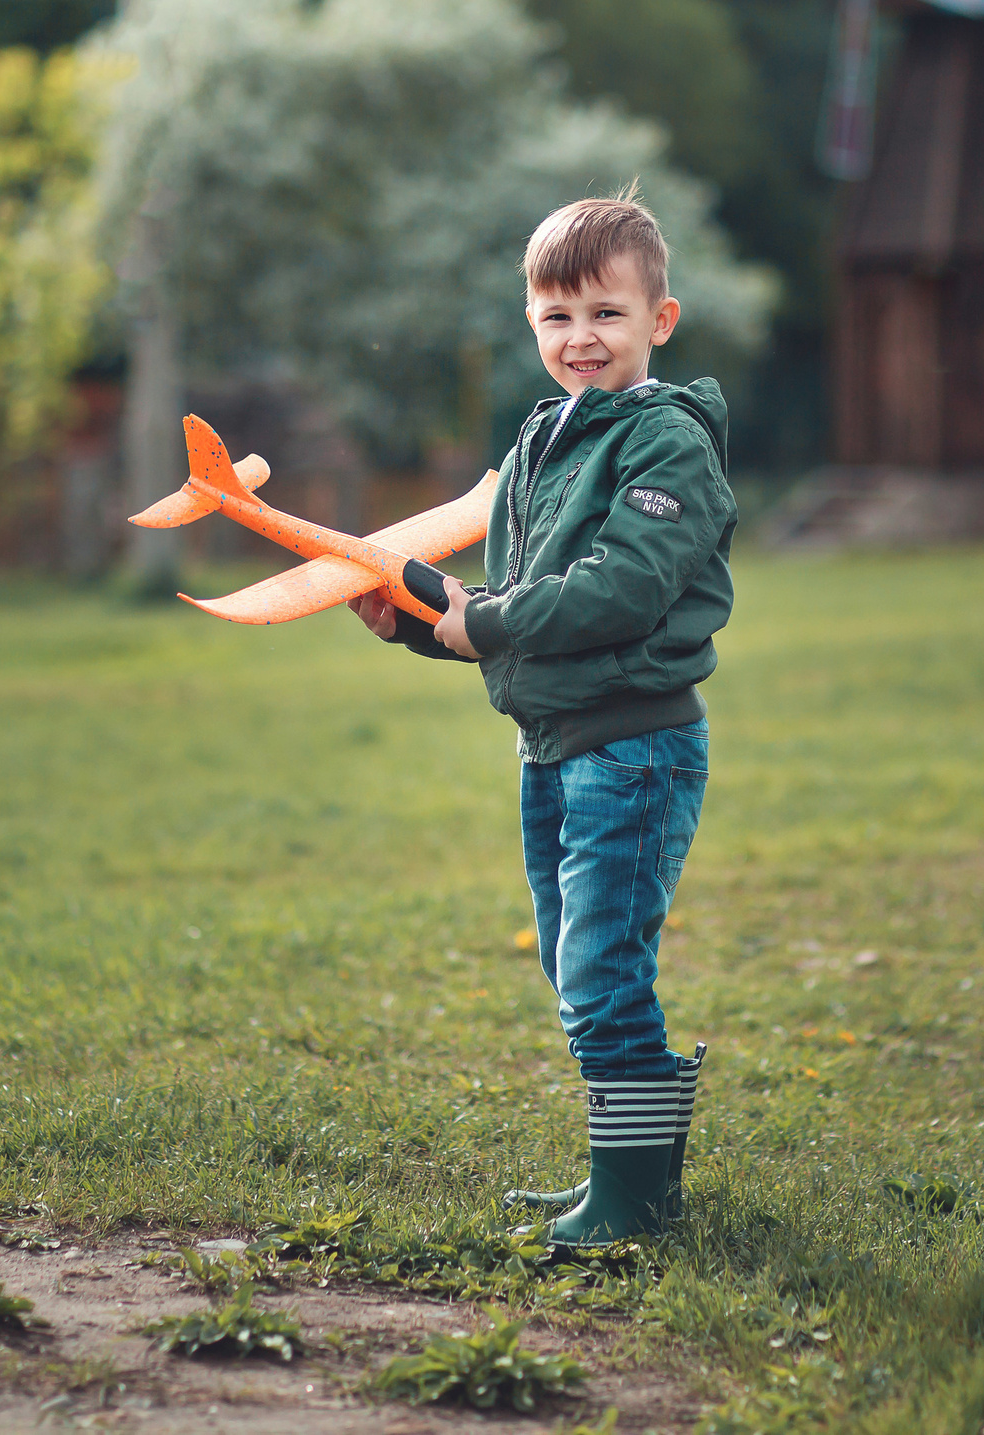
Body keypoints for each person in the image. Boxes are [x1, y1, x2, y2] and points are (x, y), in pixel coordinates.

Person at [350, 188, 737, 1243]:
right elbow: (518, 612)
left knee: (602, 972)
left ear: (659, 319)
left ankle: (634, 1206)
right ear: (531, 324)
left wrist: (487, 620)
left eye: (606, 315)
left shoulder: (666, 441)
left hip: (633, 747)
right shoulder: (541, 439)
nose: (581, 339)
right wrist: (423, 626)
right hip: (555, 745)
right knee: (577, 964)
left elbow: (617, 591)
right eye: (557, 317)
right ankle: (629, 1181)